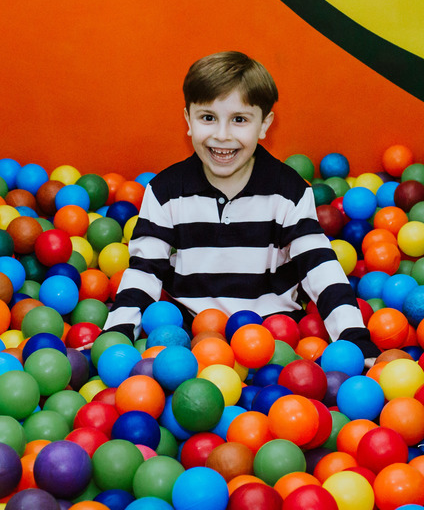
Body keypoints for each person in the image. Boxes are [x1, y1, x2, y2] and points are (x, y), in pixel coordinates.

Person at [103, 51, 379, 361]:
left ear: (264, 125)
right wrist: (117, 334)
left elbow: (319, 267)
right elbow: (144, 271)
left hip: (275, 338)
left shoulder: (289, 192)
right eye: (208, 118)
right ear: (188, 121)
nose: (222, 136)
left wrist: (353, 337)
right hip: (189, 338)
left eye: (239, 120)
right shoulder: (165, 191)